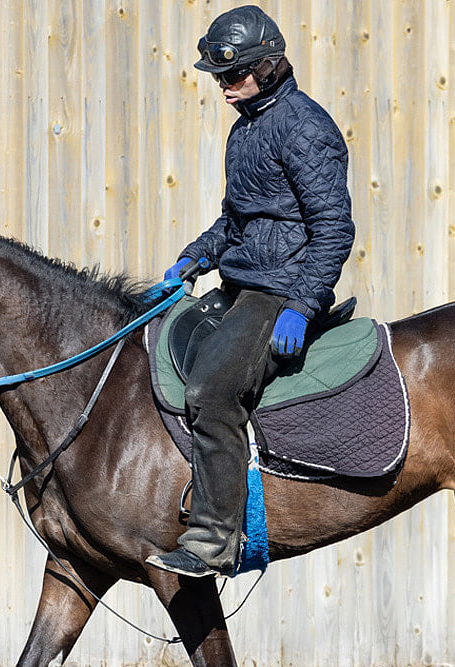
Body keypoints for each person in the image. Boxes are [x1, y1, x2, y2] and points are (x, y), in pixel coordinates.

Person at [146, 5, 355, 578]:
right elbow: (235, 221)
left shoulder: (306, 128)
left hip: (279, 292)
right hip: (237, 283)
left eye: (231, 76)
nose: (223, 88)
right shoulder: (246, 130)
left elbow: (334, 229)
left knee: (213, 390)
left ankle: (214, 539)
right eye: (217, 78)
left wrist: (300, 305)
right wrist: (195, 255)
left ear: (266, 66)